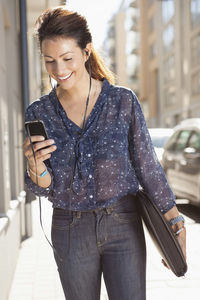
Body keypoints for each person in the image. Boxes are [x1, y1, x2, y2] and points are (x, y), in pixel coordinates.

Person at [23, 6, 186, 300]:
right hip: (69, 229)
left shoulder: (122, 102)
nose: (59, 70)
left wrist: (174, 220)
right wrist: (36, 168)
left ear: (86, 52)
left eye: (67, 58)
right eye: (50, 61)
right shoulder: (40, 113)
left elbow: (148, 166)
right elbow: (43, 186)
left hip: (123, 223)